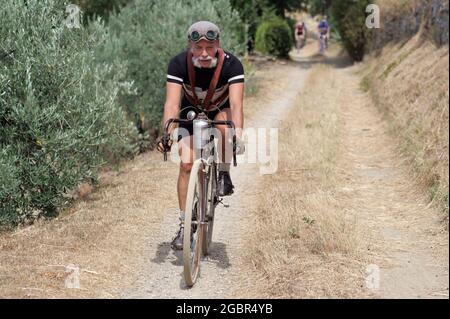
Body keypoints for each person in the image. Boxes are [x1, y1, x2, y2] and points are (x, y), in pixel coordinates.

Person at [158, 21, 245, 250]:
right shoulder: (178, 64)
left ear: (218, 44)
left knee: (226, 129)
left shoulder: (232, 65)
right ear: (190, 46)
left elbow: (236, 105)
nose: (204, 54)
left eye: (210, 47)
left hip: (220, 109)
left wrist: (238, 136)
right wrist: (166, 135)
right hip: (190, 109)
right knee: (186, 163)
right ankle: (184, 226)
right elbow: (172, 104)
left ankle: (224, 174)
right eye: (198, 48)